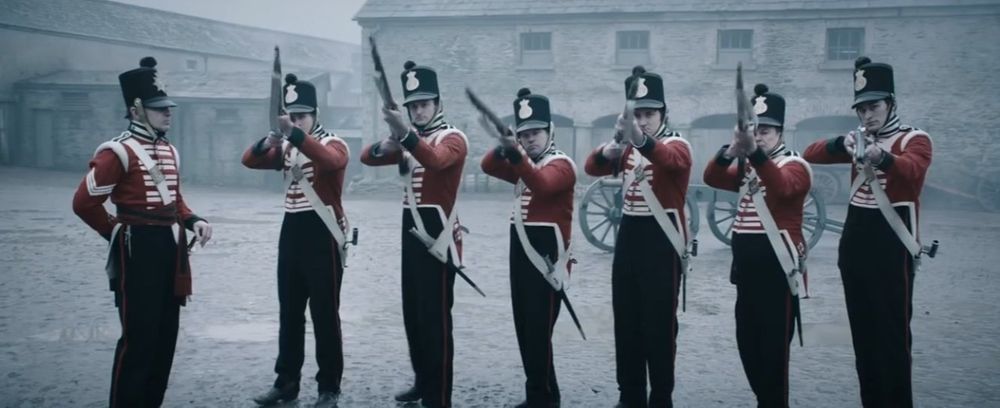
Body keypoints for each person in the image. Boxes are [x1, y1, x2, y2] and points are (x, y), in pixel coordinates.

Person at [71, 56, 213, 407]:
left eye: (168, 107)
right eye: (158, 107)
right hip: (136, 248)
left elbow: (174, 200)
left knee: (166, 336)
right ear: (136, 110)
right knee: (139, 338)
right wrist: (117, 234)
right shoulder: (117, 152)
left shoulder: (169, 150)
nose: (168, 113)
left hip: (169, 246)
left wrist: (193, 220)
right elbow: (84, 203)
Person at [802, 56, 932, 407]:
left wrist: (881, 157)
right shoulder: (857, 139)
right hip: (855, 244)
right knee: (863, 336)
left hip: (891, 243)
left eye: (873, 107)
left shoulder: (914, 138)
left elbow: (912, 170)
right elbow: (810, 153)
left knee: (892, 337)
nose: (867, 115)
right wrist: (840, 144)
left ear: (891, 103)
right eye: (861, 109)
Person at [360, 60, 467, 408]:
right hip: (411, 230)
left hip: (438, 234)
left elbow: (435, 161)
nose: (419, 111)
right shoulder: (410, 140)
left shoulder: (452, 138)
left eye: (424, 104)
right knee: (414, 315)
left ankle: (439, 397)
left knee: (436, 321)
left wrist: (405, 135)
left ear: (437, 104)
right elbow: (367, 157)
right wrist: (388, 144)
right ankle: (423, 381)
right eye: (413, 106)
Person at [584, 66, 692, 408]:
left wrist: (640, 139)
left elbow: (670, 161)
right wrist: (614, 143)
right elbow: (591, 168)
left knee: (659, 325)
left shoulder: (677, 144)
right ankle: (629, 394)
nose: (643, 121)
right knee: (626, 320)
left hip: (661, 240)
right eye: (638, 114)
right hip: (629, 235)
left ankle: (661, 397)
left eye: (649, 114)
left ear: (663, 114)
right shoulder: (628, 147)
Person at [243, 74, 350, 408]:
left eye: (302, 115)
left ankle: (328, 387)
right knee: (289, 312)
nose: (297, 120)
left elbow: (330, 161)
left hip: (322, 232)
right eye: (293, 115)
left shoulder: (334, 142)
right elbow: (250, 160)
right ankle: (286, 382)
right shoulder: (288, 146)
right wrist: (270, 140)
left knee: (324, 314)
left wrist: (295, 133)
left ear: (316, 114)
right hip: (291, 230)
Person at [704, 84, 811, 407]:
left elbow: (782, 187)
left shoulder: (795, 165)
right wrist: (730, 151)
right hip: (746, 273)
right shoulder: (748, 166)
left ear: (780, 132)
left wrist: (754, 153)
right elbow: (712, 177)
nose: (759, 136)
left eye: (765, 131)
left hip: (777, 273)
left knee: (773, 354)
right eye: (754, 130)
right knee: (748, 345)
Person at [480, 88, 576, 408]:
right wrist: (505, 145)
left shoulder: (561, 164)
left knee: (538, 330)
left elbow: (542, 184)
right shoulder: (525, 162)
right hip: (520, 250)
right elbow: (487, 166)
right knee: (525, 327)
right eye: (524, 134)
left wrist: (516, 153)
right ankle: (541, 394)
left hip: (546, 257)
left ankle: (544, 397)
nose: (530, 139)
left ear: (550, 131)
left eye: (535, 132)